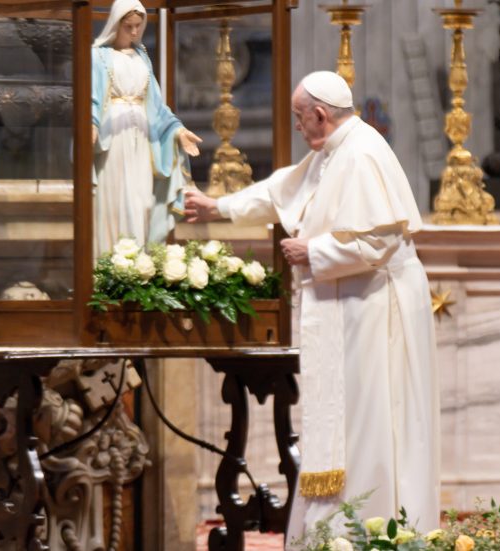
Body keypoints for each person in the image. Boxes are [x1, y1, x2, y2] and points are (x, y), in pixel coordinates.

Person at [184, 71, 440, 543]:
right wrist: (218, 208)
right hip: (355, 306)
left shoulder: (362, 153)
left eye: (301, 119)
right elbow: (282, 190)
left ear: (320, 114)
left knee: (372, 422)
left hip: (378, 311)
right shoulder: (333, 152)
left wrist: (313, 253)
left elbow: (380, 239)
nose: (299, 128)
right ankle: (336, 532)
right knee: (349, 423)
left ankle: (372, 533)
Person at [91, 0, 202, 257]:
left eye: (138, 26)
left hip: (142, 139)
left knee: (141, 201)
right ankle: (109, 263)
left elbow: (157, 106)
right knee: (114, 202)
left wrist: (177, 130)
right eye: (128, 26)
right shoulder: (98, 56)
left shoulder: (142, 57)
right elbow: (92, 97)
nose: (134, 32)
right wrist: (92, 124)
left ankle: (139, 260)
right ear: (115, 25)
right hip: (113, 140)